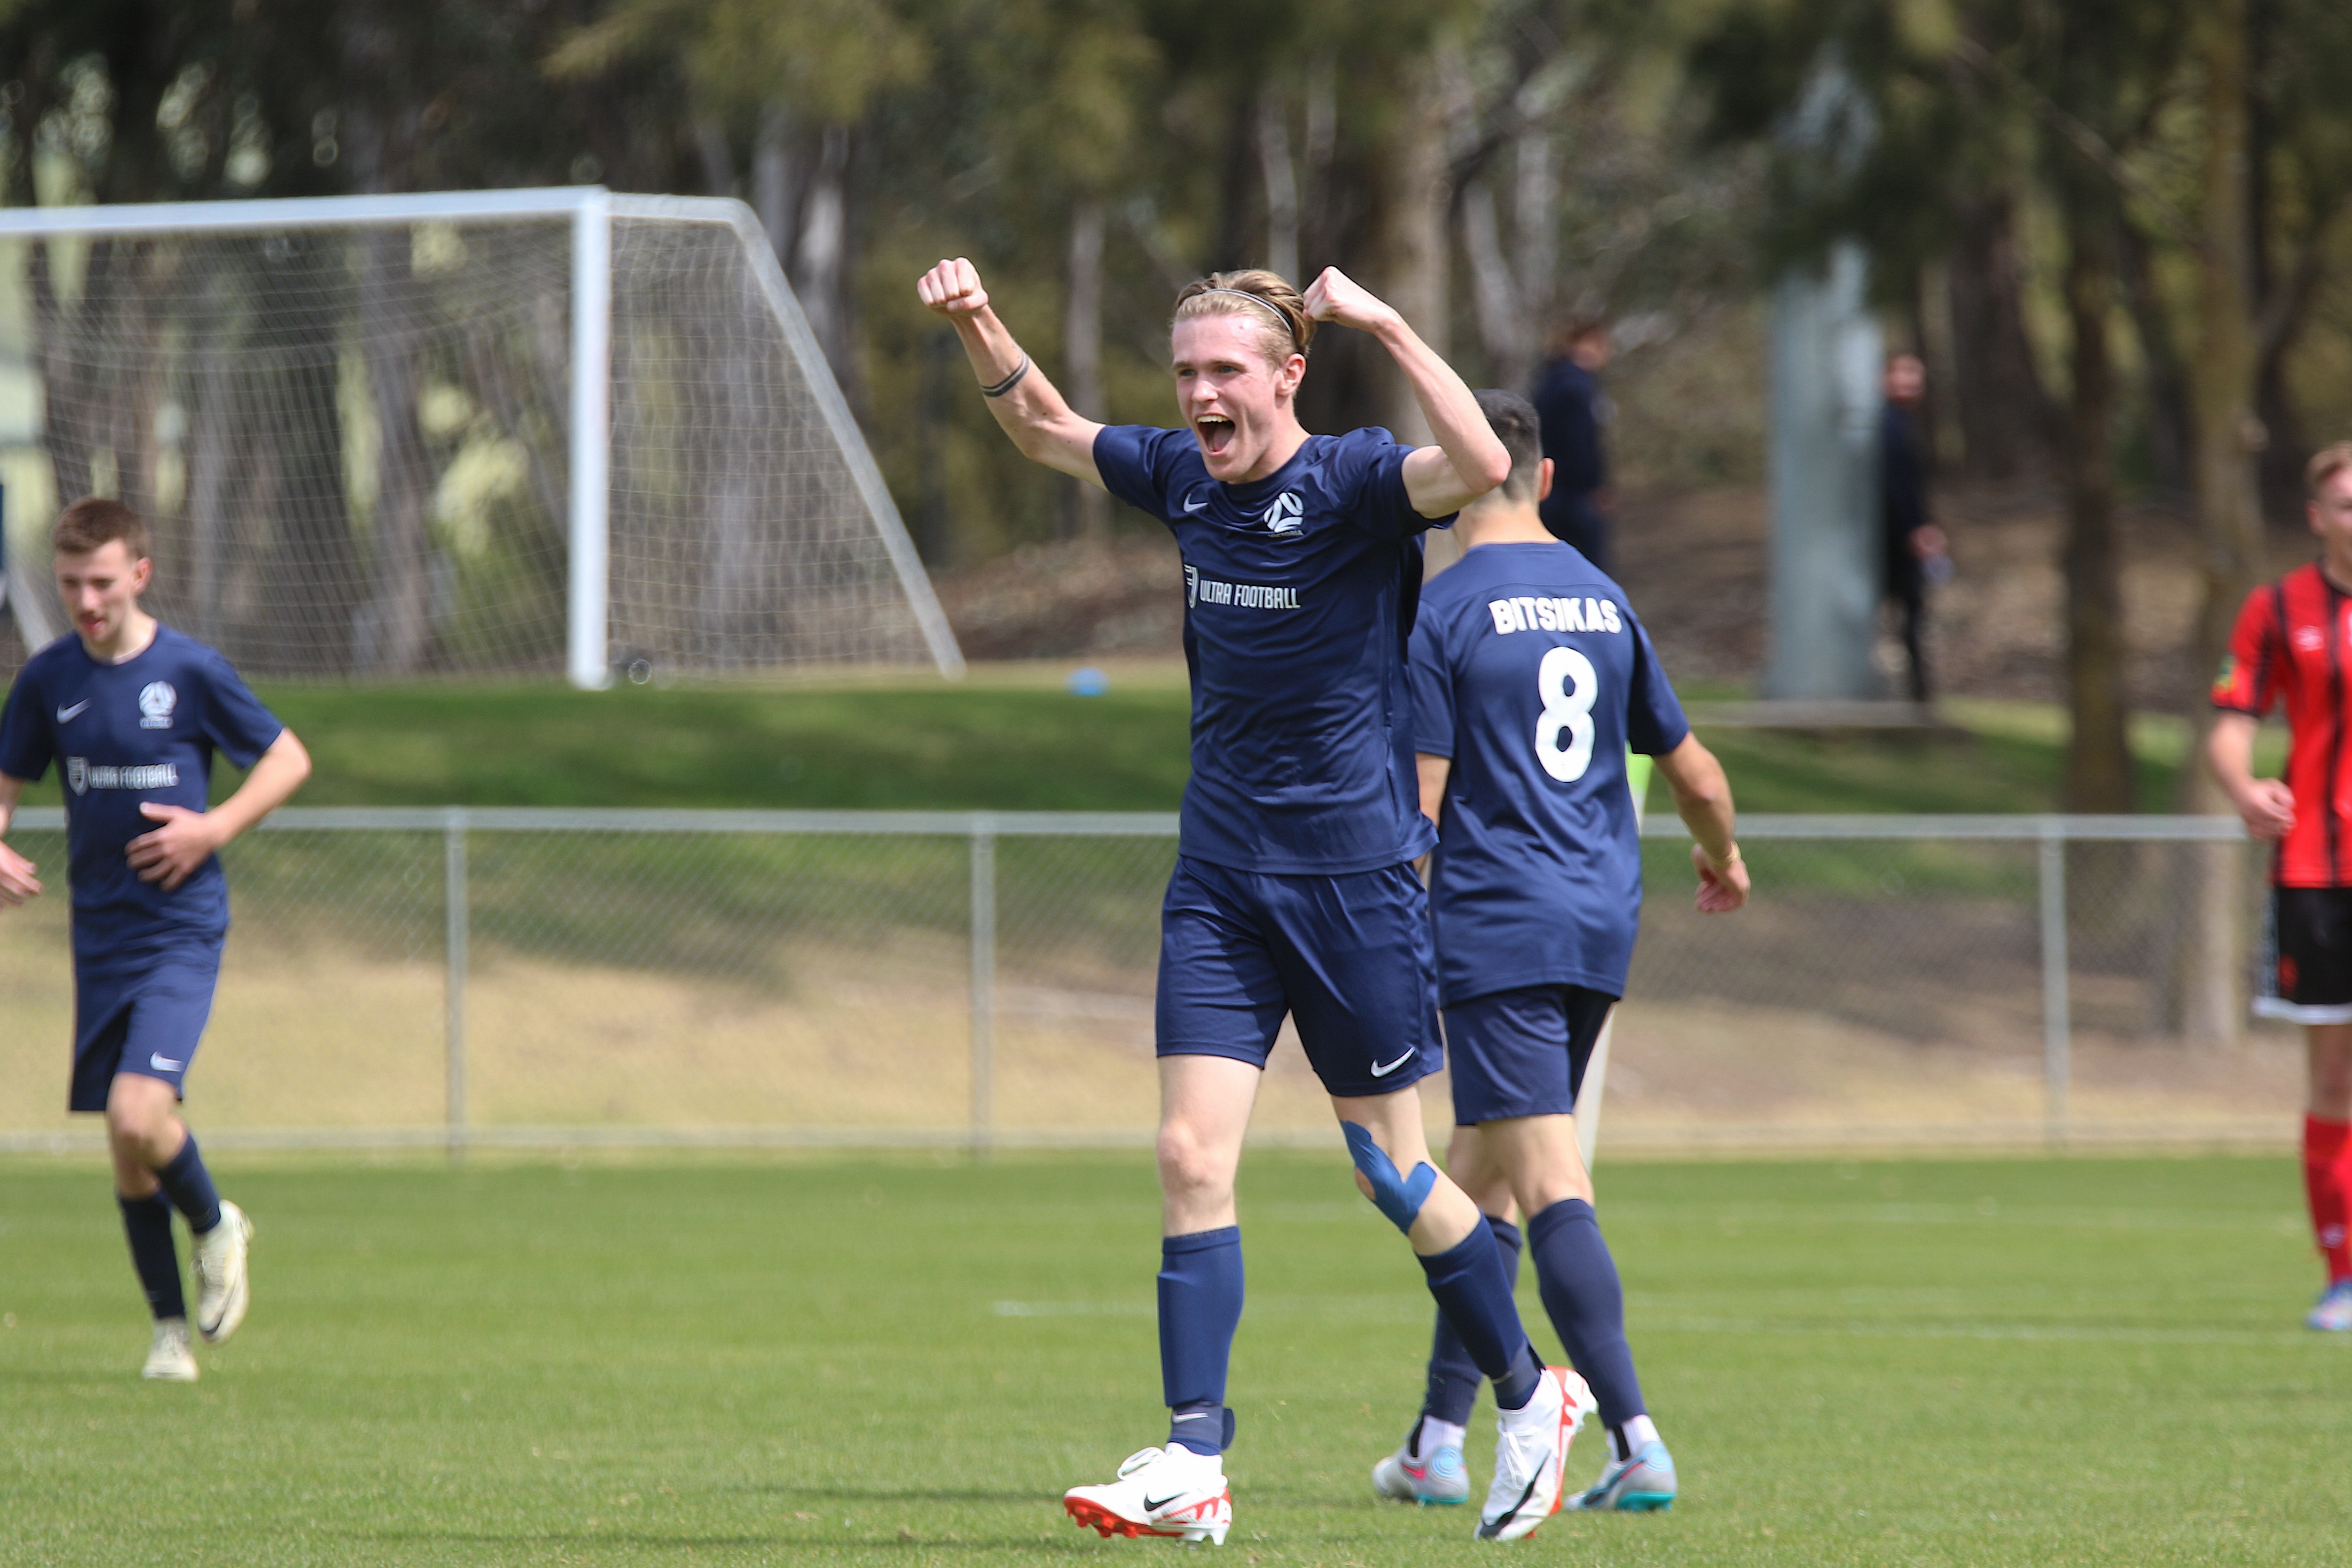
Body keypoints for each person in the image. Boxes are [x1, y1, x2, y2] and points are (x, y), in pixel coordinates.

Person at [916, 255, 1594, 1544]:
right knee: (1187, 1156)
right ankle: (1193, 1458)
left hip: (1356, 883)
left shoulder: (1350, 482)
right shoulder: (1181, 476)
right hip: (1221, 877)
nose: (1201, 395)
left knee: (1391, 1172)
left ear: (1286, 376)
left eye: (1226, 371)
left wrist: (1389, 319)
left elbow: (1477, 465)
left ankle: (1532, 1390)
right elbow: (1048, 429)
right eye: (1186, 374)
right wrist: (978, 320)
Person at [1373, 389, 1747, 1513]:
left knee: (1544, 1178)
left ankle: (1633, 1436)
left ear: (1447, 483)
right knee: (1480, 1169)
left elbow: (1423, 806)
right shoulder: (1603, 597)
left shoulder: (1443, 611)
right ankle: (1437, 1442)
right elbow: (1695, 774)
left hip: (1497, 924)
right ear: (1543, 480)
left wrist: (1380, 929)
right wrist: (1721, 859)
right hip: (1598, 922)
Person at [0, 497, 311, 1380]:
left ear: (140, 574)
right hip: (98, 936)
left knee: (142, 1114)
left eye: (101, 582)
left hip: (179, 930)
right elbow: (7, 783)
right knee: (125, 1143)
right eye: (68, 584)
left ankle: (216, 1224)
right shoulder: (49, 679)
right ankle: (170, 1333)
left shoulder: (191, 670)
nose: (85, 600)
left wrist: (213, 829)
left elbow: (288, 760)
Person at [2208, 439, 2352, 1332]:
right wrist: (2243, 786)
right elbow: (2231, 722)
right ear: (2317, 514)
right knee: (2333, 1076)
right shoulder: (2278, 608)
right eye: (2345, 503)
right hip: (2317, 875)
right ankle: (2343, 1274)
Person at [1880, 352, 1948, 704]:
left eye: (1915, 377)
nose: (1908, 385)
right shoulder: (1889, 427)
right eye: (1901, 376)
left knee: (1911, 612)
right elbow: (1897, 487)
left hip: (1897, 539)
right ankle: (1916, 690)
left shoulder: (1902, 425)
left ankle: (1916, 688)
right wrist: (1915, 530)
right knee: (1909, 610)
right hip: (1891, 542)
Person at [1528, 317, 1614, 575]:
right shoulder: (1575, 386)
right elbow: (1579, 443)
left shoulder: (1549, 381)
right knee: (1589, 570)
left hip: (1550, 490)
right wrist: (1593, 486)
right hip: (1573, 496)